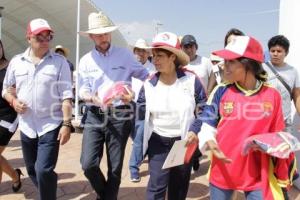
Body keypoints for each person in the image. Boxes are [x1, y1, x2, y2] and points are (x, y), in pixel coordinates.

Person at [191, 35, 297, 199]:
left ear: (249, 64)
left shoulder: (272, 95)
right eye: (224, 61)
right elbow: (207, 125)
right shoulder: (221, 91)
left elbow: (278, 133)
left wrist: (269, 144)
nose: (224, 67)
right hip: (224, 169)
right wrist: (210, 142)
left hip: (258, 173)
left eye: (231, 62)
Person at [78, 12, 149, 200]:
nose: (103, 37)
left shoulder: (125, 54)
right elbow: (82, 89)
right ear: (91, 36)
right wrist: (91, 97)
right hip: (94, 113)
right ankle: (107, 196)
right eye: (99, 34)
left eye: (106, 33)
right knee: (88, 164)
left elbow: (145, 76)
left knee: (115, 167)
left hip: (120, 114)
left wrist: (133, 95)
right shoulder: (86, 60)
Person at [3, 18, 73, 200]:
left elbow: (66, 95)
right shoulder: (17, 62)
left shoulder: (59, 63)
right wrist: (13, 101)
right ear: (28, 38)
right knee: (34, 169)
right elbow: (6, 89)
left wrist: (66, 123)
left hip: (51, 124)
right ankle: (48, 184)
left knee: (43, 169)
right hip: (26, 126)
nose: (44, 40)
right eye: (39, 37)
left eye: (47, 36)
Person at [138, 32, 207, 200]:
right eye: (153, 56)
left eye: (160, 56)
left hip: (183, 143)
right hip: (158, 143)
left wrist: (194, 129)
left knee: (178, 189)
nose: (155, 60)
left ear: (173, 57)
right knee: (155, 189)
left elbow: (205, 108)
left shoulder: (191, 80)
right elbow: (140, 111)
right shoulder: (148, 84)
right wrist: (131, 103)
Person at [180, 34, 214, 171]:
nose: (189, 49)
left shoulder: (205, 62)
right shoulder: (180, 63)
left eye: (191, 46)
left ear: (196, 47)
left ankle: (196, 155)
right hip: (186, 103)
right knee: (189, 130)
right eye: (185, 47)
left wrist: (209, 92)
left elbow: (213, 76)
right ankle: (191, 158)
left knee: (200, 130)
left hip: (202, 102)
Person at [129, 38, 155, 182]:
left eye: (143, 51)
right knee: (134, 136)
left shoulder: (153, 68)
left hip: (145, 106)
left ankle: (133, 168)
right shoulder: (128, 65)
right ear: (134, 52)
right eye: (138, 50)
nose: (141, 53)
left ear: (147, 53)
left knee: (139, 137)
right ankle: (141, 154)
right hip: (127, 105)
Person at [263, 35, 300, 133]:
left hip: (284, 123)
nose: (275, 54)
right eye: (272, 51)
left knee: (283, 148)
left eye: (279, 51)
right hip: (264, 121)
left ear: (286, 53)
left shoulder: (293, 71)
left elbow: (297, 97)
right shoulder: (260, 69)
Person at [0, 39, 22, 192]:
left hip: (8, 116)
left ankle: (15, 176)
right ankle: (15, 176)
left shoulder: (12, 67)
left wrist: (17, 92)